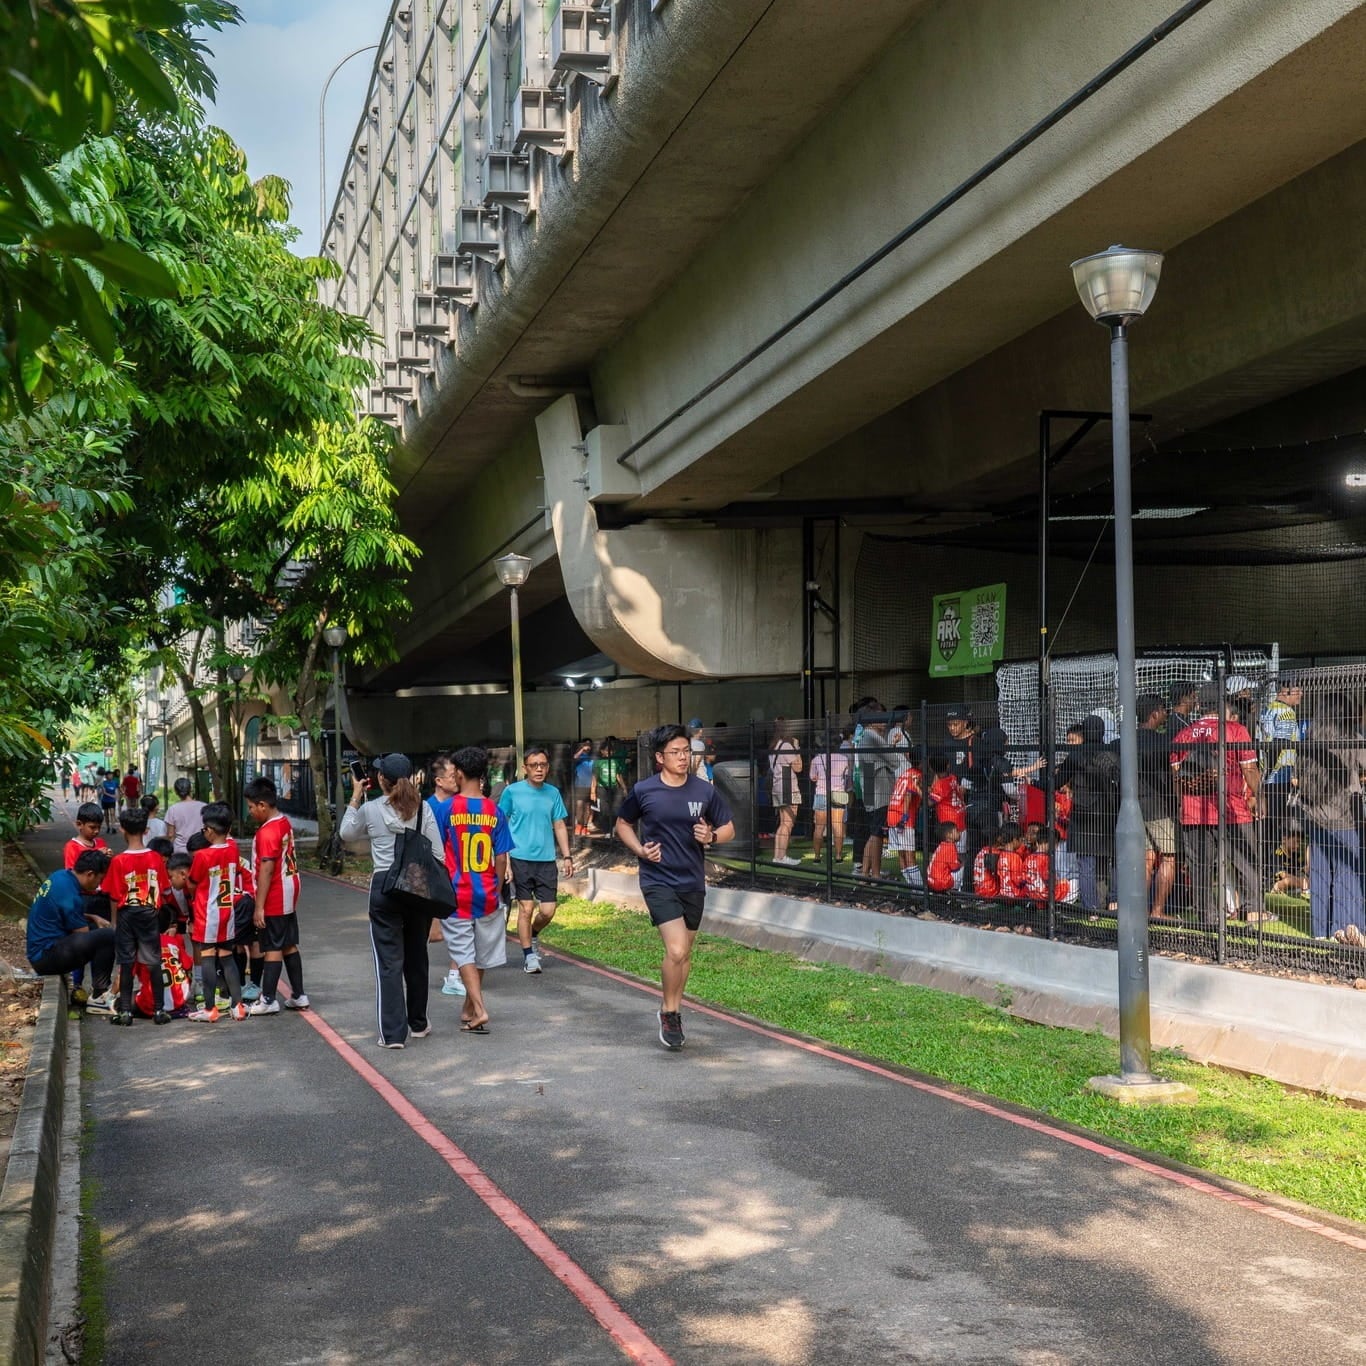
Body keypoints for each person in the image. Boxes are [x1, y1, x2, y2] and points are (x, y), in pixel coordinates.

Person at [615, 724, 734, 1051]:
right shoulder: (644, 790)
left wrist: (710, 837)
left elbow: (728, 829)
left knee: (684, 954)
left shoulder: (703, 791)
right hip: (657, 879)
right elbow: (623, 823)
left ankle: (675, 1010)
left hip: (692, 881)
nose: (683, 757)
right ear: (659, 757)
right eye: (675, 752)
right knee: (677, 949)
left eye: (686, 751)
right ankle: (668, 1012)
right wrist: (639, 850)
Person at [339, 753, 443, 1047]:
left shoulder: (371, 810)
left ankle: (393, 1035)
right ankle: (419, 1023)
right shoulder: (423, 808)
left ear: (380, 780)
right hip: (417, 886)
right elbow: (438, 854)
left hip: (384, 887)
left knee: (389, 962)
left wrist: (356, 796)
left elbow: (346, 832)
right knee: (416, 957)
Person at [437, 746, 515, 1034]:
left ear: (458, 773)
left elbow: (437, 854)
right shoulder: (494, 811)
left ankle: (480, 1009)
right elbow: (502, 857)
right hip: (486, 892)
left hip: (457, 893)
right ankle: (469, 1008)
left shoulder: (447, 809)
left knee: (464, 953)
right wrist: (494, 886)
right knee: (480, 953)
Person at [1170, 684, 1261, 928]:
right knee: (1246, 861)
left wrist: (1182, 804)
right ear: (1223, 705)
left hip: (1194, 810)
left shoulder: (1183, 735)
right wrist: (1259, 795)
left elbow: (1177, 775)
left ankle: (1207, 917)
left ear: (1200, 706)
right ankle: (1252, 910)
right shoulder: (1236, 730)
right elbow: (1249, 769)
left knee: (1200, 867)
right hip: (1231, 808)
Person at [1293, 692, 1366, 940]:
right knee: (1348, 873)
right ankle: (1345, 927)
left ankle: (1320, 930)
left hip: (1316, 818)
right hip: (1347, 817)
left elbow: (1298, 778)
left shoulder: (1309, 741)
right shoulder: (1352, 740)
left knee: (1321, 875)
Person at [498, 746, 573, 975]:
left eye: (542, 765)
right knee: (526, 907)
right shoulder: (512, 792)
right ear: (525, 768)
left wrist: (567, 855)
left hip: (546, 860)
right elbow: (501, 824)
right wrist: (506, 860)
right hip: (520, 858)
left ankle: (533, 934)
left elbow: (559, 824)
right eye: (534, 765)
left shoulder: (553, 793)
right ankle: (529, 955)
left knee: (548, 910)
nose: (539, 769)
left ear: (548, 767)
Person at [102, 806, 170, 1025]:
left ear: (122, 828)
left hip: (126, 913)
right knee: (153, 962)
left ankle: (125, 1012)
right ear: (146, 829)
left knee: (127, 962)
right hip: (150, 912)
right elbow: (164, 888)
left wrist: (113, 921)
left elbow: (113, 895)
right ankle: (159, 1010)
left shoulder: (119, 861)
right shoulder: (156, 858)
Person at [244, 775, 306, 1016]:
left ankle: (268, 998)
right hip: (289, 890)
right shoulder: (283, 822)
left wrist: (259, 907)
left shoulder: (267, 832)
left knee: (271, 945)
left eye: (251, 807)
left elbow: (267, 869)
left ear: (262, 805)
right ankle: (298, 994)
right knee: (288, 943)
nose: (250, 812)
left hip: (275, 895)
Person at [186, 803, 250, 1023]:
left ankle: (210, 1008)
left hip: (208, 913)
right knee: (227, 956)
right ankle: (237, 1005)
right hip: (227, 911)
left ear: (210, 830)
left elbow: (192, 883)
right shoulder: (232, 849)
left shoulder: (202, 856)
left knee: (207, 957)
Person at [27, 851, 116, 1007]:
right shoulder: (70, 895)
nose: (99, 885)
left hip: (39, 952)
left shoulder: (61, 876)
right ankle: (99, 995)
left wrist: (93, 917)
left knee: (99, 931)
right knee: (108, 937)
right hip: (46, 956)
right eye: (100, 879)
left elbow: (63, 912)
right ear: (90, 874)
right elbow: (83, 935)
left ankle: (97, 991)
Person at [1054, 716, 1119, 913]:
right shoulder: (1111, 754)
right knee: (1112, 858)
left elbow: (1057, 781)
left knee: (1086, 863)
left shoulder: (1076, 755)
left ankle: (1090, 908)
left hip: (1083, 815)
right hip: (1108, 813)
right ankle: (1114, 900)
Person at [424, 753, 467, 1001]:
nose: (457, 779)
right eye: (452, 776)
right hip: (435, 876)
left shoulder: (460, 804)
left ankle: (454, 976)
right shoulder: (429, 808)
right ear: (439, 781)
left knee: (462, 925)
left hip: (457, 875)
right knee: (433, 933)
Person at [1135, 693, 1178, 922]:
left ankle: (1141, 910)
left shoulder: (1129, 740)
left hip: (1135, 805)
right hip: (1160, 807)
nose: (1165, 713)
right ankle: (1158, 910)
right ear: (1154, 714)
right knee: (1169, 857)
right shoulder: (1163, 742)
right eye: (1162, 709)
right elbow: (1172, 776)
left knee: (1147, 859)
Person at [1259, 680, 1303, 859]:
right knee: (1274, 827)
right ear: (1286, 692)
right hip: (1278, 778)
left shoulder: (1267, 709)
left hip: (1265, 777)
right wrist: (1270, 772)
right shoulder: (1286, 713)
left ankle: (1265, 866)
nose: (1301, 694)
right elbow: (1279, 744)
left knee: (1266, 826)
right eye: (1298, 690)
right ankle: (1270, 869)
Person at [853, 711, 895, 879]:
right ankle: (876, 874)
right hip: (878, 784)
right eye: (881, 719)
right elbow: (894, 760)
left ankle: (865, 872)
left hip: (867, 782)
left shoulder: (863, 736)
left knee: (873, 830)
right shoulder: (873, 736)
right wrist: (887, 757)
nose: (884, 723)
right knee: (877, 832)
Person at [809, 730, 851, 863]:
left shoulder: (817, 759)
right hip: (838, 793)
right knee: (838, 826)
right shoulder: (844, 759)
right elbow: (847, 775)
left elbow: (812, 777)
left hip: (821, 793)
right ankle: (838, 856)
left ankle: (817, 857)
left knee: (819, 827)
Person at [768, 717, 803, 866]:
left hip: (777, 786)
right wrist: (797, 748)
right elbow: (798, 767)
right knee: (787, 823)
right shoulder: (787, 745)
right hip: (788, 786)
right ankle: (782, 857)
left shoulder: (773, 746)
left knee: (783, 822)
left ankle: (778, 855)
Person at [885, 757, 923, 884]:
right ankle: (919, 888)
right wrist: (904, 818)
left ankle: (911, 885)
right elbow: (908, 794)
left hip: (892, 814)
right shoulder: (917, 775)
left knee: (901, 854)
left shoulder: (905, 773)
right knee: (910, 855)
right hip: (903, 818)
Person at [590, 737, 628, 837]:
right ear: (602, 751)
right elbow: (595, 777)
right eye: (607, 750)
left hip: (614, 787)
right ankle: (607, 830)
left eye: (611, 750)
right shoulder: (598, 762)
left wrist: (624, 788)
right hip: (601, 787)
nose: (609, 752)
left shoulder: (615, 761)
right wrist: (593, 791)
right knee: (604, 810)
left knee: (616, 809)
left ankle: (614, 828)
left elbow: (618, 775)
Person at [164, 777, 206, 854]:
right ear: (190, 789)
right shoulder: (203, 806)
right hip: (201, 848)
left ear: (176, 792)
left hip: (180, 850)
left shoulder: (173, 809)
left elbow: (170, 835)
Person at [925, 820, 963, 894]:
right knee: (965, 868)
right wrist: (961, 864)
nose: (959, 833)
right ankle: (956, 893)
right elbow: (955, 868)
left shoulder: (941, 845)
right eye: (956, 830)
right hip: (941, 883)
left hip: (930, 881)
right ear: (949, 835)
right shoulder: (950, 846)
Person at [571, 739, 596, 835]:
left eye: (589, 745)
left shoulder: (592, 758)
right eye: (586, 744)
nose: (588, 746)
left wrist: (593, 789)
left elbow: (594, 774)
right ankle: (579, 826)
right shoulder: (579, 756)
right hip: (579, 786)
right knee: (579, 805)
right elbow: (574, 757)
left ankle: (585, 827)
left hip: (589, 786)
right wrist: (582, 749)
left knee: (587, 807)